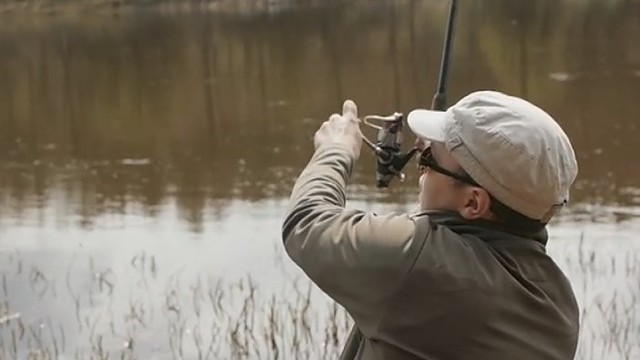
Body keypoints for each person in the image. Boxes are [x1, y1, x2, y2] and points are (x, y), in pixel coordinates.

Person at [282, 90, 580, 360]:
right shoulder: (558, 305)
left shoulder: (415, 263)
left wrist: (335, 150)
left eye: (428, 159)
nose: (421, 166)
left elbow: (307, 222)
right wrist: (442, 160)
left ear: (473, 203)